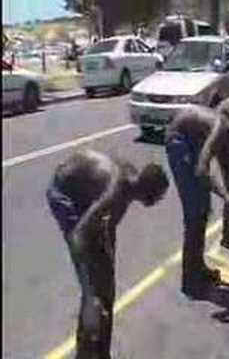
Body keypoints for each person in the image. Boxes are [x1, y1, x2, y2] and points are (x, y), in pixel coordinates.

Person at [46, 149, 169, 359]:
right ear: (148, 190)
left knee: (105, 285)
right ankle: (86, 353)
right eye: (159, 197)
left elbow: (109, 227)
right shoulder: (117, 190)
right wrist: (89, 289)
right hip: (64, 194)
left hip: (84, 191)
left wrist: (107, 265)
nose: (159, 201)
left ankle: (101, 351)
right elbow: (78, 237)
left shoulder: (131, 184)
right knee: (95, 293)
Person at [165, 105, 229, 299]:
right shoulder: (219, 132)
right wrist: (226, 195)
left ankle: (198, 268)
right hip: (179, 142)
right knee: (195, 214)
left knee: (203, 209)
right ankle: (190, 283)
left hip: (192, 138)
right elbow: (201, 171)